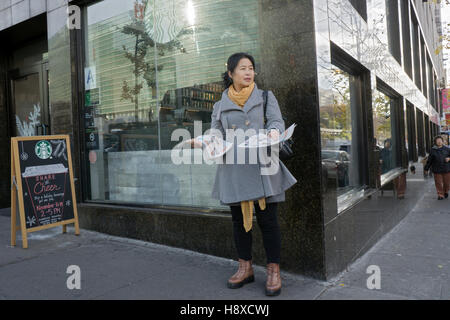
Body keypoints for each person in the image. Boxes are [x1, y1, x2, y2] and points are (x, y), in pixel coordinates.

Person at [191, 52, 297, 296]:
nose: (249, 72)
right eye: (242, 68)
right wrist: (207, 142)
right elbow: (216, 133)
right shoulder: (220, 105)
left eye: (251, 68)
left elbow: (276, 122)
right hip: (234, 168)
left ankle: (273, 271)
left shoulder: (266, 97)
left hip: (263, 166)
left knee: (269, 222)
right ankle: (245, 267)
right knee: (240, 223)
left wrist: (273, 133)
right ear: (230, 74)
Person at [424, 135, 450, 200]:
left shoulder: (447, 149)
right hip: (437, 169)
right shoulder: (433, 150)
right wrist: (426, 168)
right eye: (437, 140)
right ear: (435, 142)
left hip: (446, 169)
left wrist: (449, 158)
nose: (439, 142)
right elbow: (429, 160)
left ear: (442, 141)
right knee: (438, 183)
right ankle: (440, 194)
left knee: (447, 183)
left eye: (440, 140)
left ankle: (446, 191)